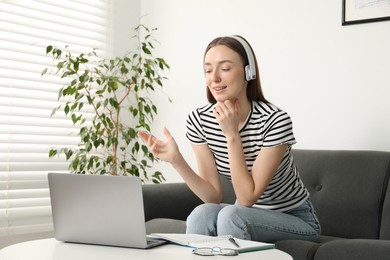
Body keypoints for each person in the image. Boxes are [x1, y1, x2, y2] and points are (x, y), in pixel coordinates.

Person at [138, 35, 321, 243]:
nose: (214, 78)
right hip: (246, 215)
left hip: (295, 219)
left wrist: (232, 135)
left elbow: (246, 198)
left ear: (248, 72)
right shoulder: (200, 120)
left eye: (224, 69)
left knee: (232, 215)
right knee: (201, 213)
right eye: (208, 70)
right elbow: (212, 196)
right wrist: (176, 160)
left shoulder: (275, 120)